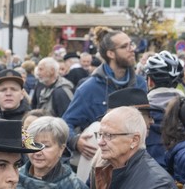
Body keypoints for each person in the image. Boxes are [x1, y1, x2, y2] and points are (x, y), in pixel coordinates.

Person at [62, 31, 146, 164]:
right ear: (110, 54)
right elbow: (65, 123)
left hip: (136, 160)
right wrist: (75, 141)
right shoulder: (88, 88)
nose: (132, 50)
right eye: (125, 46)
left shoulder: (140, 83)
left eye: (131, 45)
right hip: (103, 163)